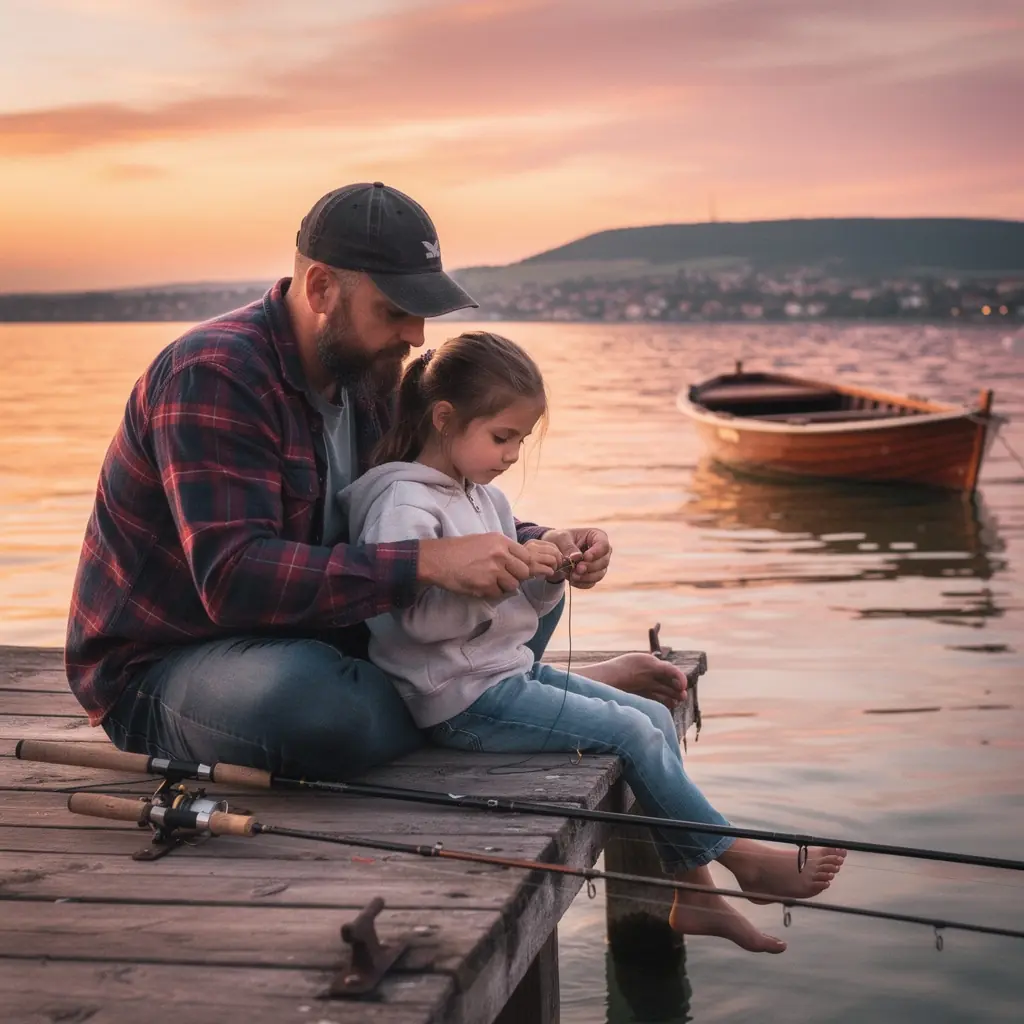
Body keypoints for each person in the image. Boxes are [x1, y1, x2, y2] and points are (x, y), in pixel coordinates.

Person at [64, 181, 688, 781]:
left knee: (524, 588)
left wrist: (543, 542)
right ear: (320, 288)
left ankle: (517, 694)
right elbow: (233, 580)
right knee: (321, 712)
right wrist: (429, 564)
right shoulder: (216, 376)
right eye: (395, 312)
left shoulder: (369, 371)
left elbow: (432, 503)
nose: (416, 338)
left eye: (421, 315)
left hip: (321, 633)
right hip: (172, 662)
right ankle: (533, 695)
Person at [340, 331, 846, 954]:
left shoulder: (486, 497)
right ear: (444, 419)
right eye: (502, 437)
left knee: (655, 717)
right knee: (629, 735)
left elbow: (515, 616)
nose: (512, 454)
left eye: (522, 439)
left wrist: (549, 574)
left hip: (503, 678)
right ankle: (744, 860)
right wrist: (499, 578)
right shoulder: (401, 502)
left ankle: (697, 895)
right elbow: (409, 624)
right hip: (460, 702)